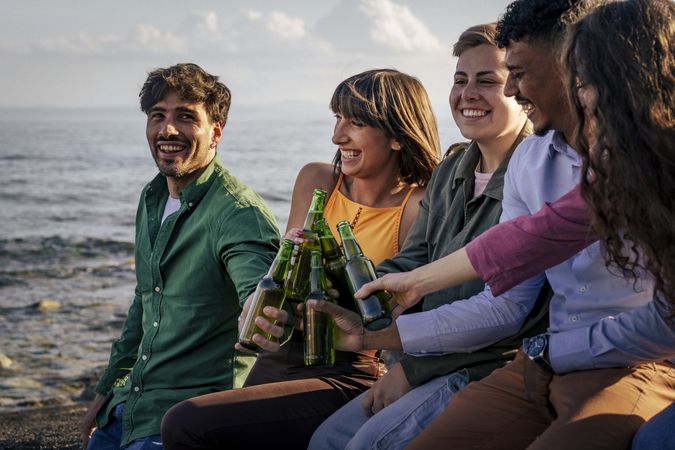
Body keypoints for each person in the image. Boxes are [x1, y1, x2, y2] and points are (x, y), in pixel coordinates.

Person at [322, 1, 675, 448]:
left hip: (635, 364)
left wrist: (554, 351)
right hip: (545, 365)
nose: (511, 89)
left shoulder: (640, 164)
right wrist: (404, 293)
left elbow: (664, 321)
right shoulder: (532, 164)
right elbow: (529, 243)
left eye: (584, 80)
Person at [159, 68, 441, 450]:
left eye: (355, 122)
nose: (337, 135)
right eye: (337, 118)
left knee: (186, 423)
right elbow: (283, 282)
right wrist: (261, 312)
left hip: (347, 370)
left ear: (396, 135)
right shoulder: (317, 180)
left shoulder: (418, 208)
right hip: (280, 354)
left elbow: (416, 317)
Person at [309, 23, 552, 450]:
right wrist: (329, 293)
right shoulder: (451, 170)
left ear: (518, 89)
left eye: (487, 81)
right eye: (460, 80)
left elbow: (508, 316)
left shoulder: (536, 173)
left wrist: (411, 369)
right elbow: (411, 262)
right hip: (421, 357)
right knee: (326, 439)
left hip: (483, 366)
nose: (468, 93)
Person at [80, 63, 280, 450]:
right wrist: (105, 390)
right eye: (158, 116)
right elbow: (144, 301)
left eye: (185, 117)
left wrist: (266, 312)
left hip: (188, 418)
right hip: (131, 406)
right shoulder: (153, 197)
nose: (167, 130)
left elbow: (261, 299)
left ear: (215, 132)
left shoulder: (240, 215)